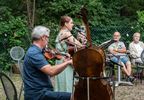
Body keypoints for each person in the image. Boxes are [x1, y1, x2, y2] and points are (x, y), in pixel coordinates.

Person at [23, 26, 73, 100]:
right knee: (74, 97)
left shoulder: (36, 51)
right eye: (48, 37)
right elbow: (51, 71)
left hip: (41, 92)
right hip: (38, 95)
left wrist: (64, 63)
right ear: (43, 37)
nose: (48, 40)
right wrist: (68, 62)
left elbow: (49, 70)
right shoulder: (34, 53)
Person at [55, 16, 84, 93]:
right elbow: (79, 46)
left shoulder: (61, 32)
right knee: (67, 85)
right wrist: (84, 41)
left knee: (62, 85)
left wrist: (78, 39)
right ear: (65, 24)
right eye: (71, 23)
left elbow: (71, 47)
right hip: (65, 62)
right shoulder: (66, 33)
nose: (73, 24)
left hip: (60, 61)